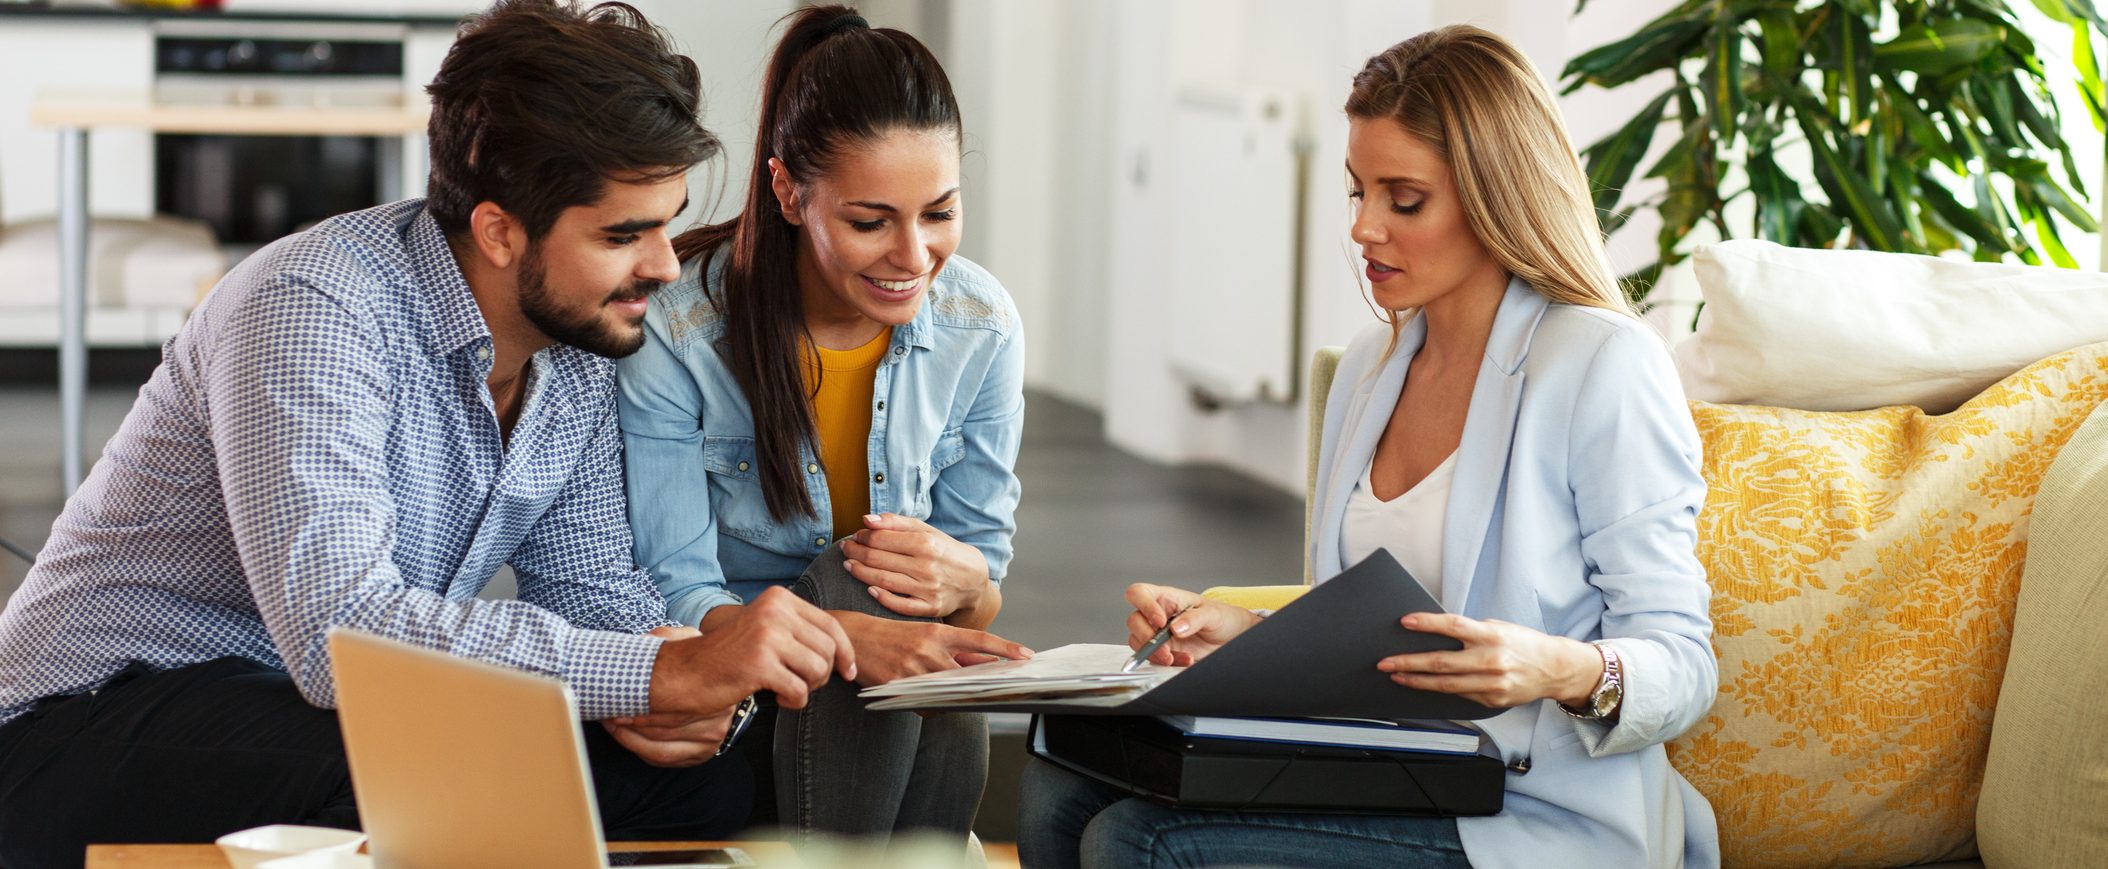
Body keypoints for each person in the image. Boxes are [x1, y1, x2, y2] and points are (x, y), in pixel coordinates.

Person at [0, 2, 857, 864]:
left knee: (705, 778)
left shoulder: (582, 345)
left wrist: (672, 668)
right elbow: (341, 636)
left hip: (314, 710)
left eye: (665, 223)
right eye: (622, 234)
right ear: (498, 230)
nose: (665, 265)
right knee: (445, 771)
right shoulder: (313, 309)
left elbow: (591, 587)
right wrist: (650, 675)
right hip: (86, 717)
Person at [1017, 25, 1719, 869]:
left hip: (1533, 815)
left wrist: (1555, 667)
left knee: (1141, 840)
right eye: (1358, 192)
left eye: (1404, 199)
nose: (1363, 228)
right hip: (1390, 771)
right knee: (1060, 785)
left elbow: (1683, 663)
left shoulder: (1601, 364)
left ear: (1496, 195)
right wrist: (1248, 635)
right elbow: (1368, 634)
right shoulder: (1370, 366)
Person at [616, 5, 1029, 842]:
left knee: (910, 602)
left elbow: (977, 591)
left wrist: (966, 584)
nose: (914, 256)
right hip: (742, 697)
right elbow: (676, 589)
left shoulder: (982, 325)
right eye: (870, 222)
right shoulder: (680, 328)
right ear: (788, 191)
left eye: (940, 213)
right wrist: (848, 633)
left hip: (889, 708)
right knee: (857, 579)